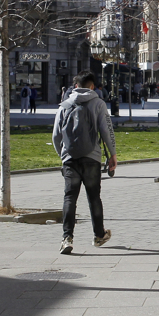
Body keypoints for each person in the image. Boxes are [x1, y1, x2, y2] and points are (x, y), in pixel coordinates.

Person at [52, 70, 116, 255]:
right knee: (94, 197)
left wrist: (63, 156)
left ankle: (67, 238)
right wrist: (112, 154)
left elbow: (56, 135)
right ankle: (98, 235)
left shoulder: (65, 105)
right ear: (92, 86)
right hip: (92, 158)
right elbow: (107, 131)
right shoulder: (98, 104)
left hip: (70, 159)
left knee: (70, 197)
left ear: (76, 86)